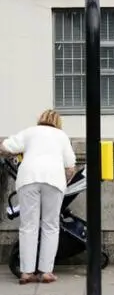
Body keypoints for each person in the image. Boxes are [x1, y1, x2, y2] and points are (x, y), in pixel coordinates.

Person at [0, 109, 76, 284]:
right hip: (54, 180)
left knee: (28, 226)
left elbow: (4, 147)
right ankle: (46, 272)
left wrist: (15, 154)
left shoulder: (29, 132)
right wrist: (64, 179)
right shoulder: (61, 136)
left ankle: (26, 272)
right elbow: (70, 166)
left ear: (40, 120)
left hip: (28, 179)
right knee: (50, 225)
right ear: (58, 122)